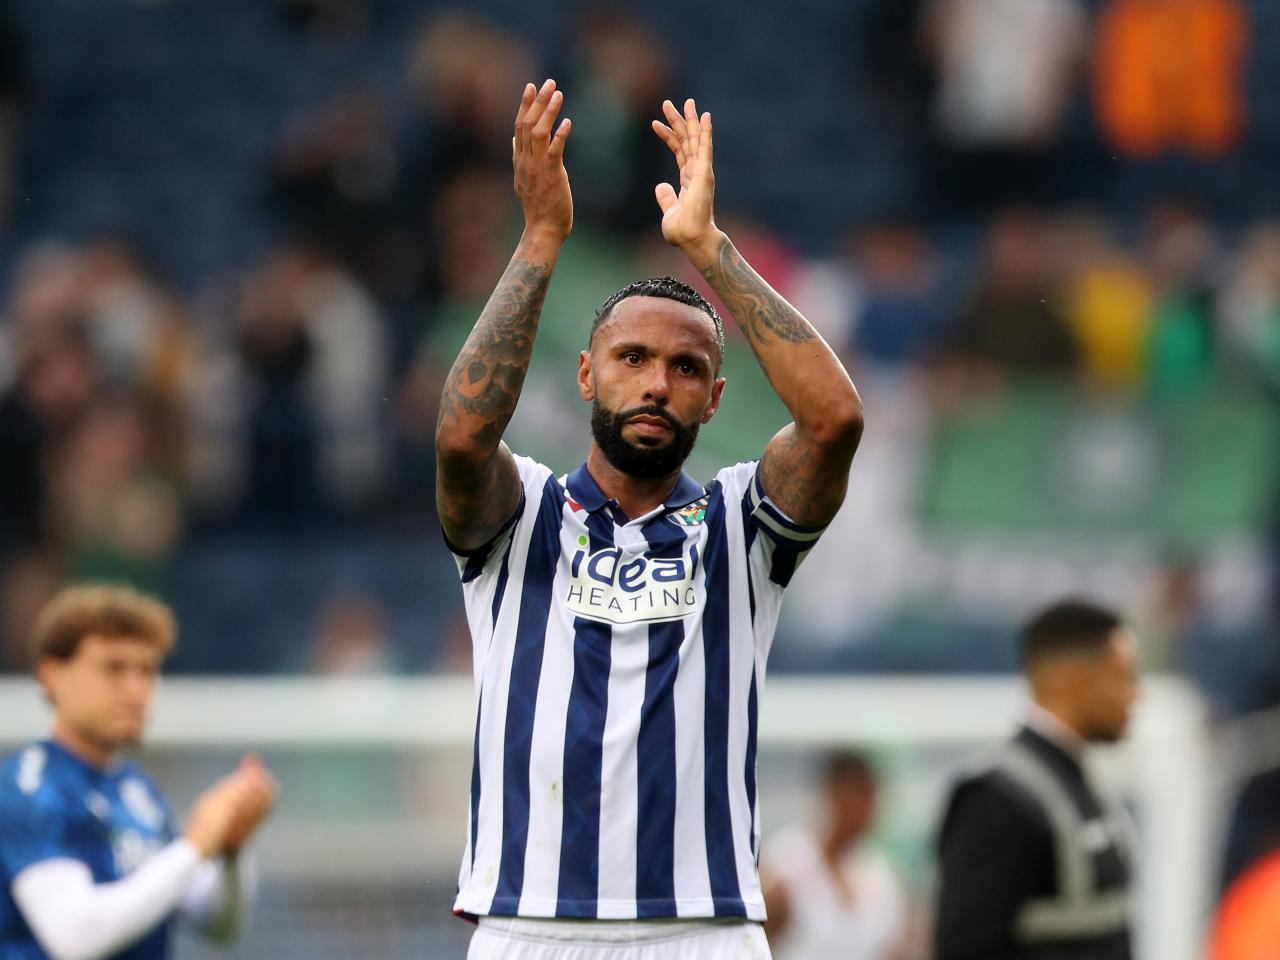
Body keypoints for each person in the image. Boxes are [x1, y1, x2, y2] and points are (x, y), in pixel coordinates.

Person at [435, 79, 863, 959]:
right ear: (587, 377)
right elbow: (461, 435)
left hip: (702, 930)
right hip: (529, 923)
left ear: (714, 399)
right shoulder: (522, 516)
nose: (658, 382)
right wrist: (542, 238)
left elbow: (835, 421)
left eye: (686, 367)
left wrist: (709, 248)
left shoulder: (739, 527)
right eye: (632, 358)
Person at [0, 584, 277, 959]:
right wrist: (195, 845)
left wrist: (230, 850)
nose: (136, 690)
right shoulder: (26, 787)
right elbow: (74, 939)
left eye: (147, 671)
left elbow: (217, 923)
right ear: (52, 676)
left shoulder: (137, 791)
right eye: (113, 668)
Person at [933, 598, 1140, 960]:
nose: (1135, 694)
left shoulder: (1080, 783)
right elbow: (965, 947)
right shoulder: (996, 798)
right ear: (1076, 679)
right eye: (1124, 676)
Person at [761, 751, 911, 960]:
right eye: (859, 794)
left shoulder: (879, 873)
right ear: (833, 792)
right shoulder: (786, 860)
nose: (868, 808)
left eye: (871, 796)